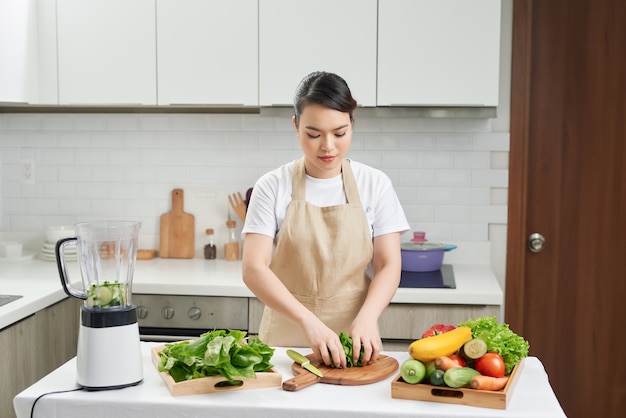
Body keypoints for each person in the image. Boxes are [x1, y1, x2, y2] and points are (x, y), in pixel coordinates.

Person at [241, 71, 409, 368]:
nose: (328, 146)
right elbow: (254, 269)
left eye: (340, 133)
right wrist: (308, 321)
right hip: (285, 342)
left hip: (355, 341)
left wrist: (369, 318)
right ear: (296, 126)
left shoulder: (375, 184)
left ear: (352, 124)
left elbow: (388, 264)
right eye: (314, 134)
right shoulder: (272, 185)